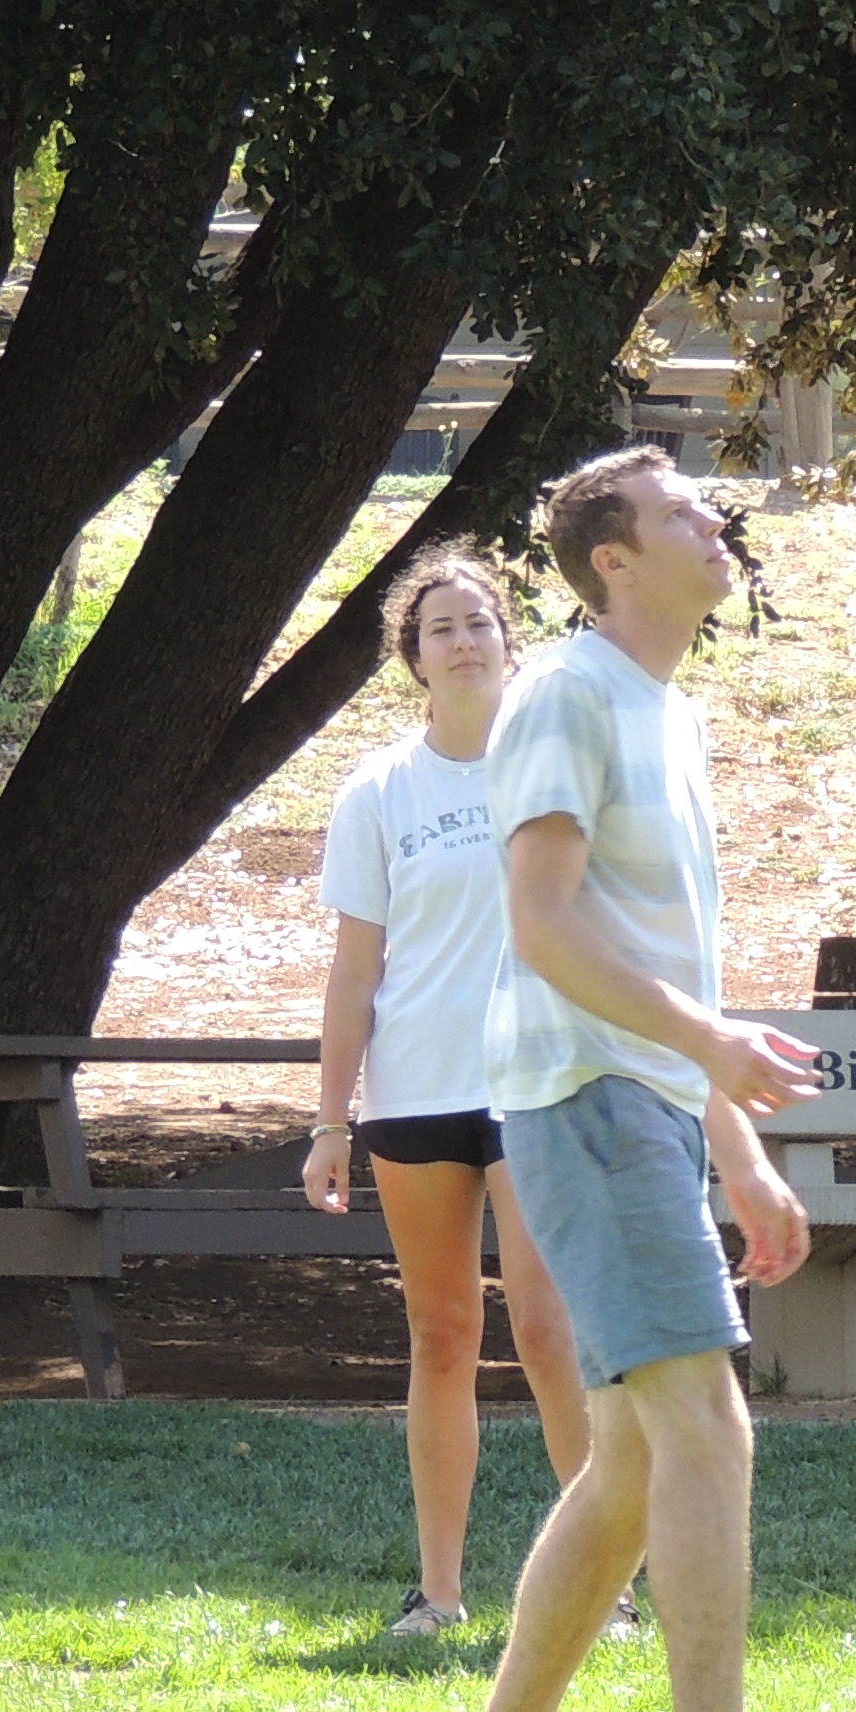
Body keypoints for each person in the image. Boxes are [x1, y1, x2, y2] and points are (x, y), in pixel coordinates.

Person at [431, 447, 825, 1712]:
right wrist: (707, 1057)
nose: (716, 519)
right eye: (680, 511)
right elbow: (543, 924)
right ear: (613, 558)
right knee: (705, 1428)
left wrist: (733, 1138)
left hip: (644, 1098)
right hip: (584, 1095)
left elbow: (666, 960)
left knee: (635, 1465)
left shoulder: (671, 714)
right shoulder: (565, 699)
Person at [304, 543, 602, 1638]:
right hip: (414, 1090)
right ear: (413, 659)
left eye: (480, 621)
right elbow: (353, 970)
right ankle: (437, 1595)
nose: (464, 640)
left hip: (539, 1082)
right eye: (441, 628)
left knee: (545, 1325)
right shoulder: (377, 790)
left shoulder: (555, 764)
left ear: (508, 640)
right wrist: (330, 1120)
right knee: (439, 1335)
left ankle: (599, 1588)